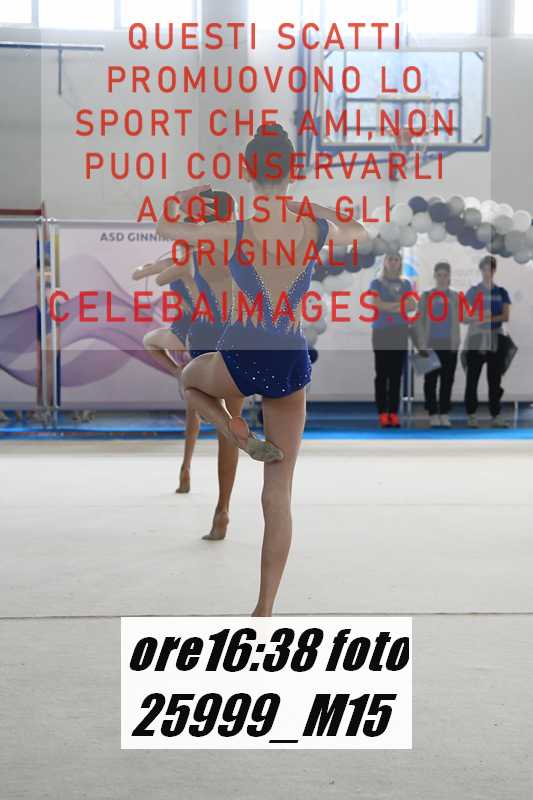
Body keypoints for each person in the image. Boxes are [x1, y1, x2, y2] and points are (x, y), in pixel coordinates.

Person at [156, 123, 366, 616]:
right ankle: (264, 608)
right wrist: (316, 208)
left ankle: (232, 426)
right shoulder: (311, 227)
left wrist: (182, 199)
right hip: (289, 359)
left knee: (188, 381)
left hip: (240, 354)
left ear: (248, 171)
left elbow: (168, 231)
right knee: (279, 494)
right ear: (292, 171)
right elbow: (357, 230)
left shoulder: (239, 227)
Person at [132, 254, 200, 494]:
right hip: (208, 333)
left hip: (183, 333)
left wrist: (146, 266)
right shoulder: (213, 259)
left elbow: (137, 274)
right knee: (200, 404)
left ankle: (186, 467)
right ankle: (187, 467)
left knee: (149, 341)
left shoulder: (174, 262)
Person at [463, 255, 511, 428]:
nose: (487, 272)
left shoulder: (502, 292)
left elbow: (505, 316)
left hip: (496, 338)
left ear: (494, 271)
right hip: (476, 337)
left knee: (494, 379)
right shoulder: (473, 291)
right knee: (472, 378)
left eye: (490, 269)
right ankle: (471, 415)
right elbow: (463, 316)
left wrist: (486, 318)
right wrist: (479, 317)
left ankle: (496, 415)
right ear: (480, 270)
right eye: (484, 269)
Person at [369, 253, 416, 428]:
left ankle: (393, 413)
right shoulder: (376, 283)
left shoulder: (406, 283)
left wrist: (390, 307)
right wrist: (399, 306)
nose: (393, 262)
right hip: (381, 332)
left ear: (400, 262)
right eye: (390, 259)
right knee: (382, 374)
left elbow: (412, 305)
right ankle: (382, 413)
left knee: (396, 374)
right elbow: (377, 304)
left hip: (400, 331)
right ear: (385, 262)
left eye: (396, 259)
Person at [416, 262, 460, 428]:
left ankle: (444, 413)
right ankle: (433, 413)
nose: (442, 278)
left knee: (447, 380)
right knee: (430, 380)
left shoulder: (455, 296)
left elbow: (463, 316)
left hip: (449, 343)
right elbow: (419, 321)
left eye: (445, 275)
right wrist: (421, 344)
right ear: (434, 276)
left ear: (449, 276)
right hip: (430, 343)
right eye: (439, 275)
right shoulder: (426, 296)